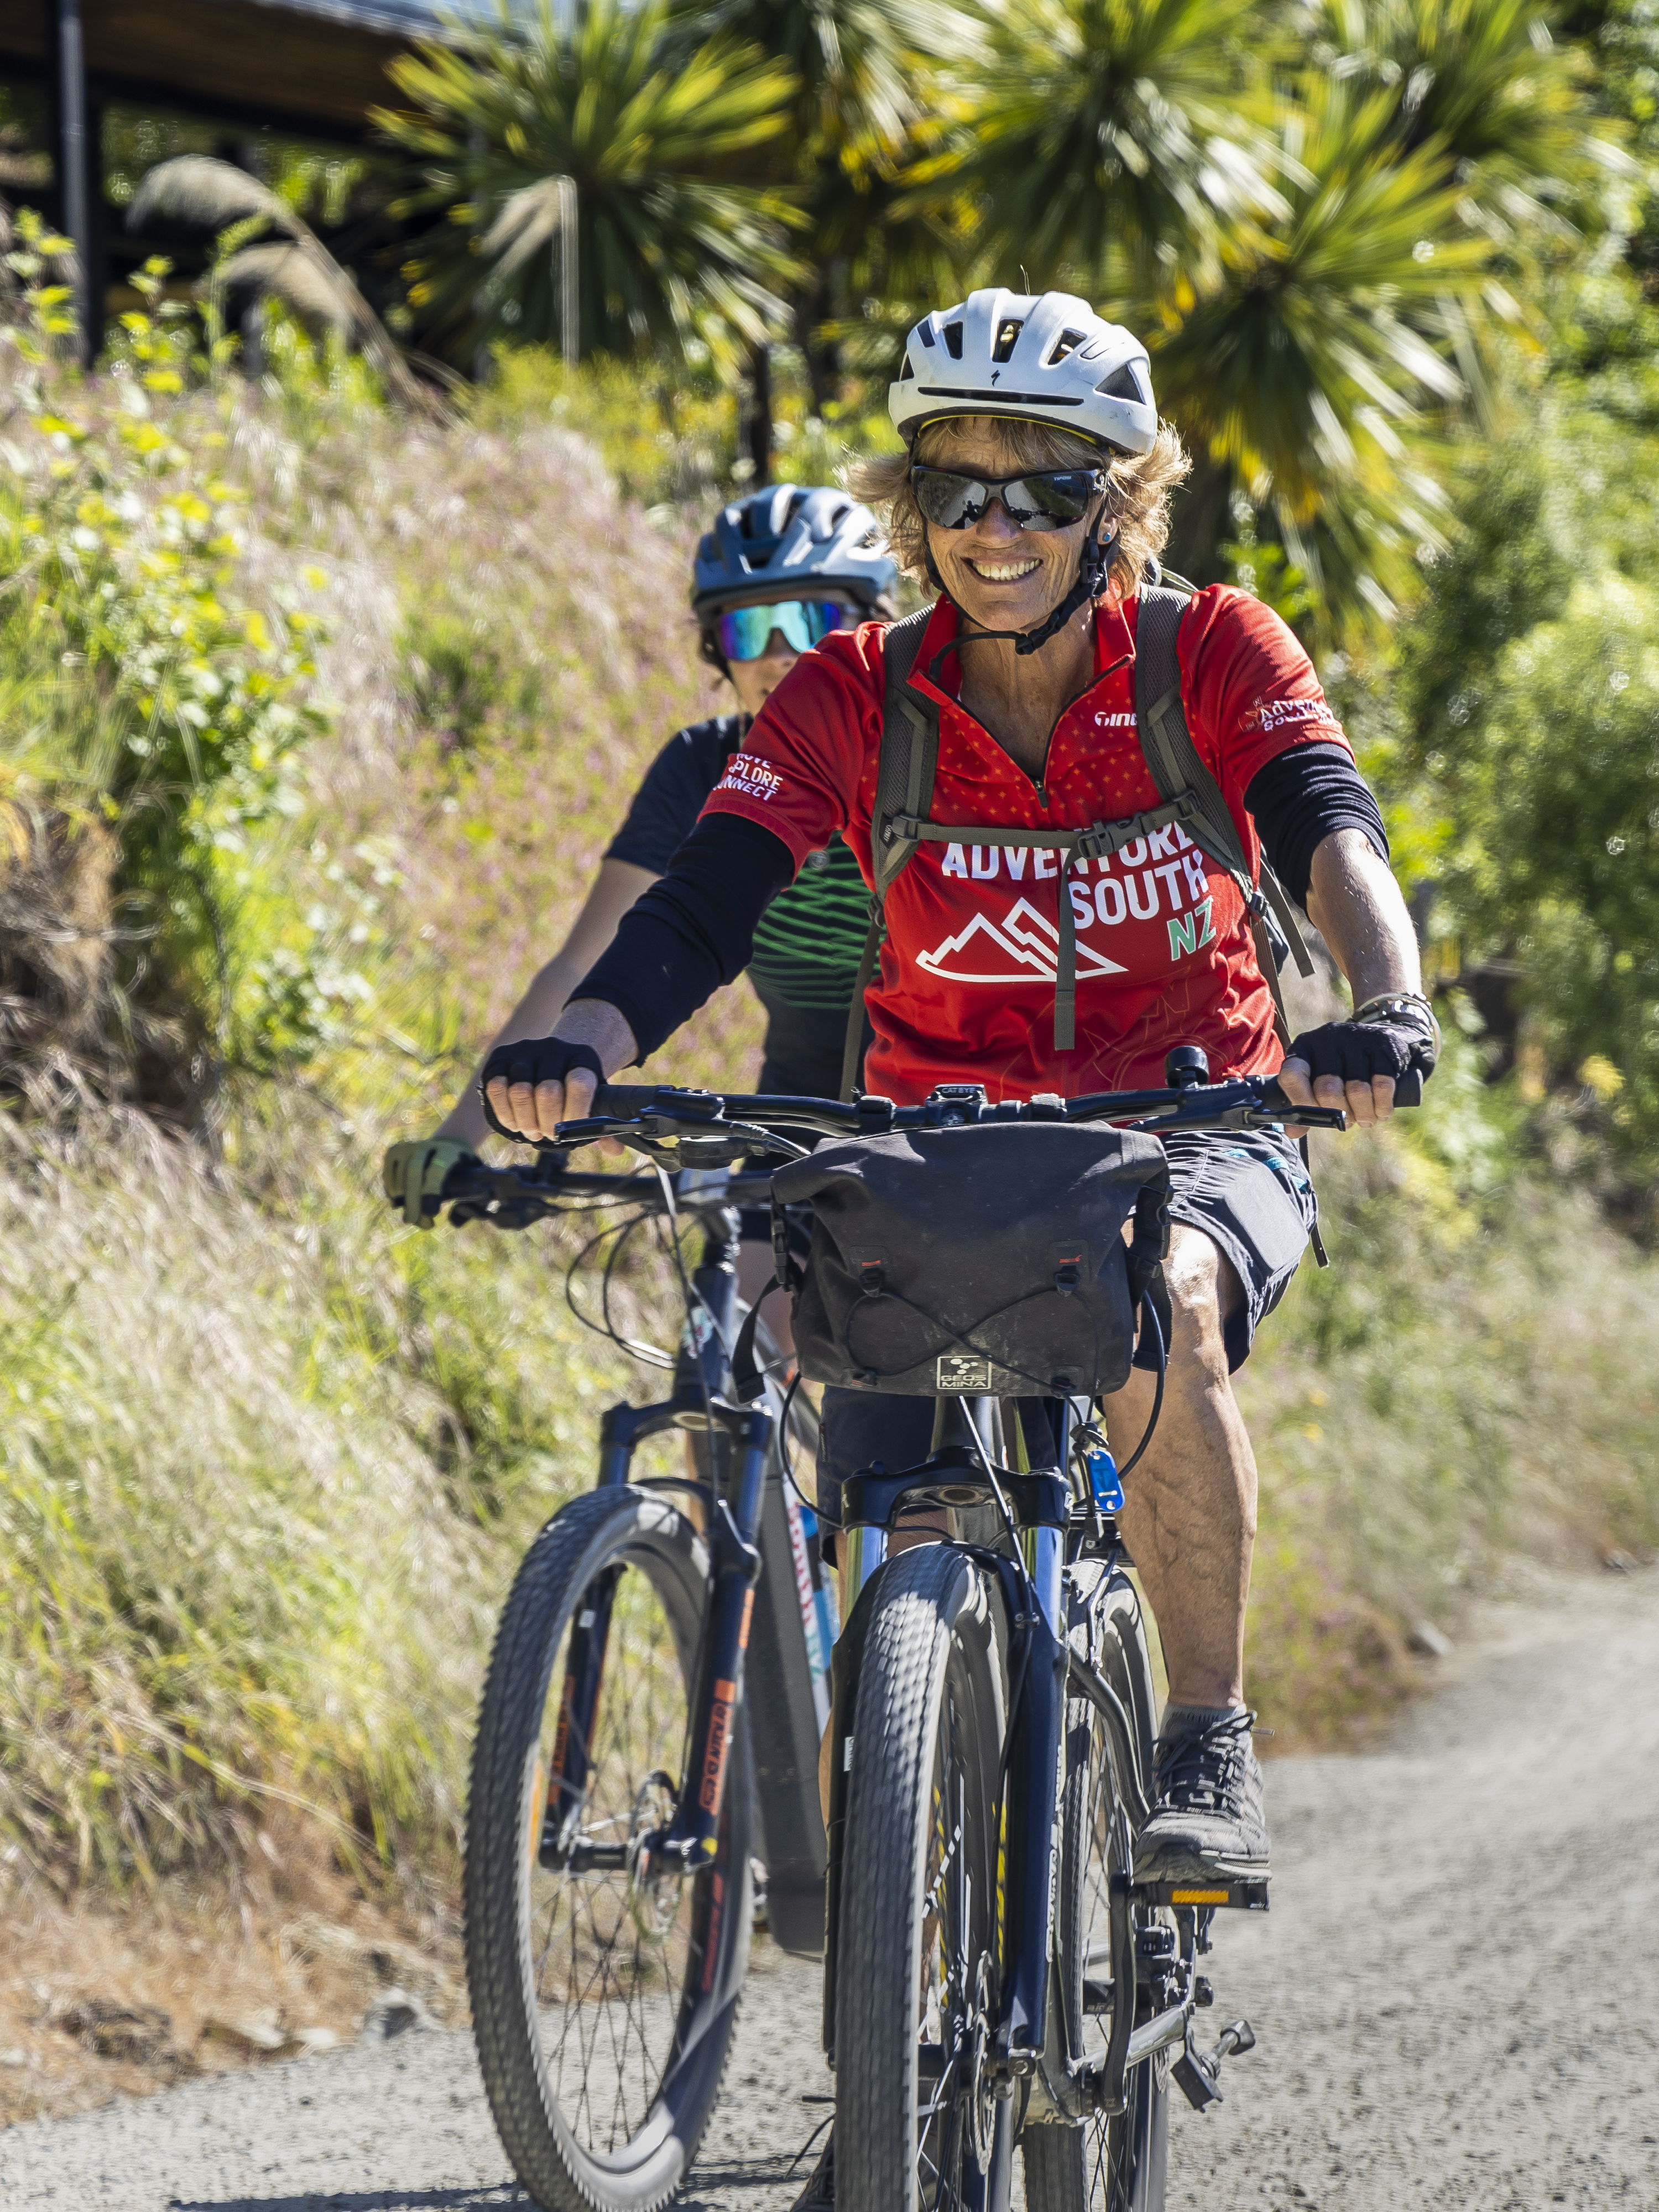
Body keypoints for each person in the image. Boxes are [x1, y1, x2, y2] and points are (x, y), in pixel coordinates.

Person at [478, 286, 1436, 2201]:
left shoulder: (1208, 653)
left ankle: (1199, 1738)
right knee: (892, 1518)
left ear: (1116, 503)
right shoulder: (851, 696)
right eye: (956, 486)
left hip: (1195, 1116)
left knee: (1170, 1306)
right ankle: (905, 1993)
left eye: (1041, 488)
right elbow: (710, 901)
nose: (995, 527)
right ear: (914, 503)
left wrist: (1384, 1002)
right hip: (940, 1142)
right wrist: (585, 1038)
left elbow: (1331, 830)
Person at [383, 485, 898, 1276]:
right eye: (748, 628)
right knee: (761, 1314)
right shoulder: (701, 768)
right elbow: (582, 963)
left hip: (946, 1088)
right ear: (716, 652)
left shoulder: (929, 757)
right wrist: (462, 1135)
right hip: (794, 1093)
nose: (779, 655)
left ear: (875, 628)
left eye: (813, 620)